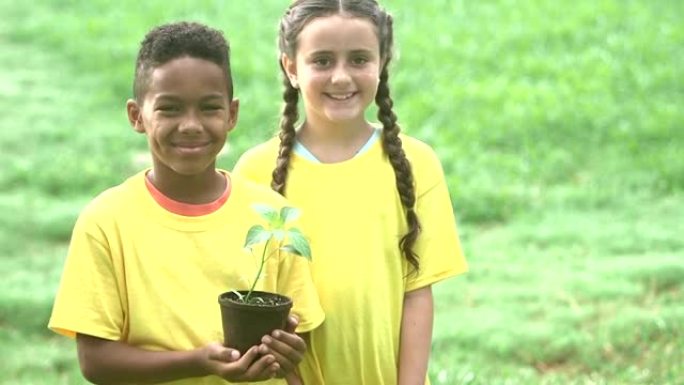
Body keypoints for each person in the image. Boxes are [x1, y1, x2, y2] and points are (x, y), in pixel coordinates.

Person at [48, 21, 324, 385]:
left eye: (209, 108)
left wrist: (284, 349)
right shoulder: (106, 221)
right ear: (137, 116)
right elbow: (95, 360)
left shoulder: (271, 216)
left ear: (232, 114)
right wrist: (200, 362)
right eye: (170, 109)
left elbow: (298, 331)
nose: (191, 125)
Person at [233, 1, 468, 384]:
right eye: (322, 61)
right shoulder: (254, 173)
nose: (341, 77)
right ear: (291, 67)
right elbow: (252, 302)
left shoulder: (416, 163)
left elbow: (417, 294)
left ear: (383, 61)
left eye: (359, 59)